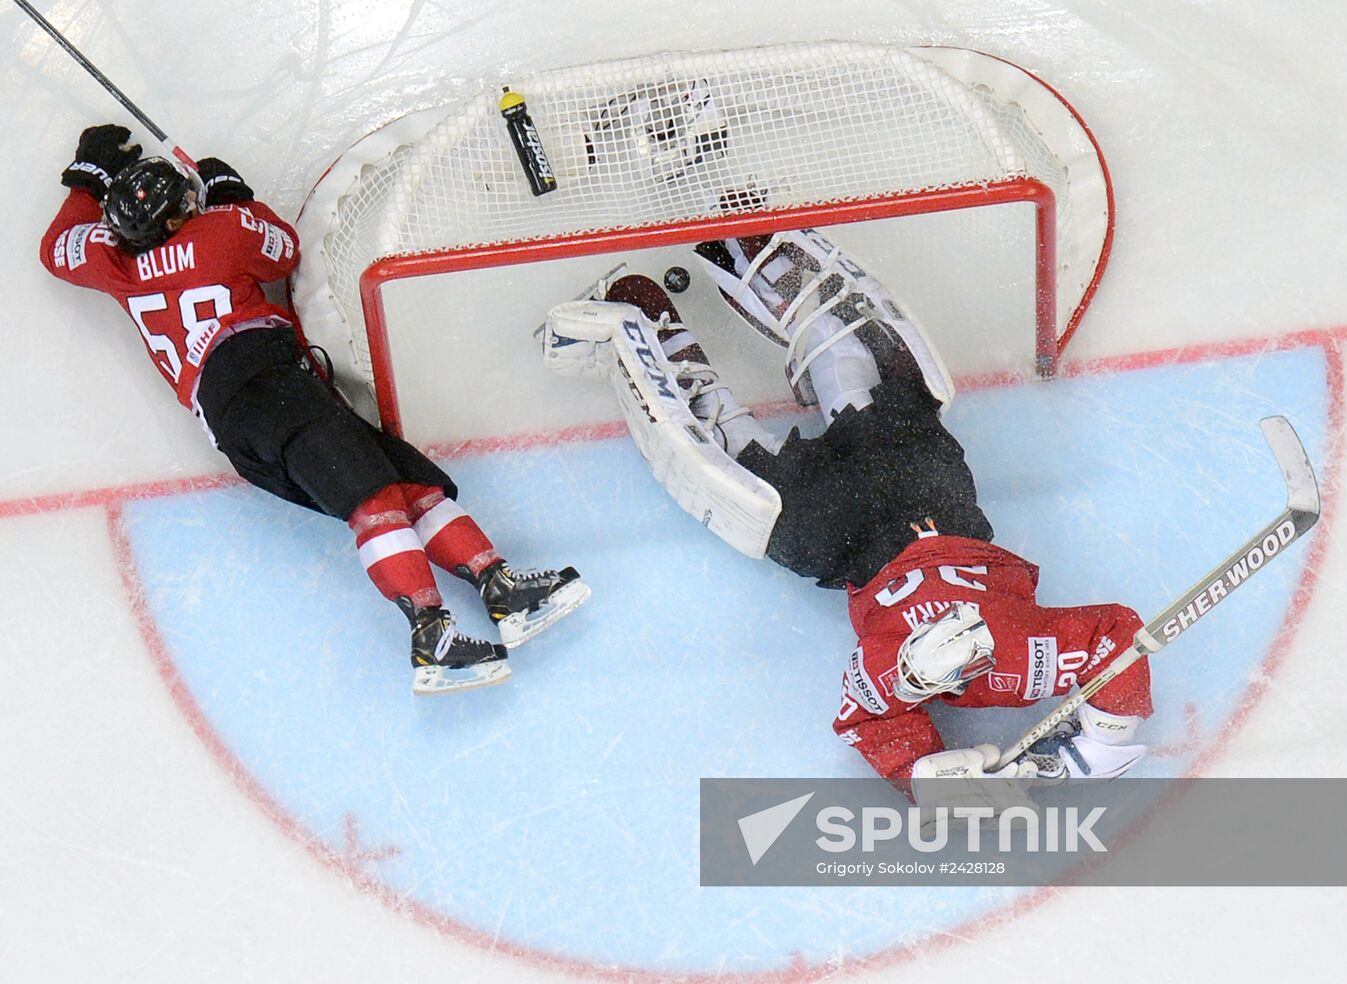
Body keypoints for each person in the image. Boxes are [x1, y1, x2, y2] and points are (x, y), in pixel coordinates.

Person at [540, 228, 1152, 807]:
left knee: (736, 460)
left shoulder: (983, 667)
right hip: (929, 504)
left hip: (850, 535)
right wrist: (1100, 745)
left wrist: (920, 774)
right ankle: (761, 268)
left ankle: (656, 330)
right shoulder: (1018, 659)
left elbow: (867, 719)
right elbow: (1120, 636)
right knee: (862, 381)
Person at [40, 124, 590, 696]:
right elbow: (281, 249)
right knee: (373, 499)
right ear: (182, 212)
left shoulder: (115, 265)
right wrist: (232, 193)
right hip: (266, 387)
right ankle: (433, 637)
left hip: (242, 419)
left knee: (409, 482)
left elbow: (57, 248)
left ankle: (500, 589)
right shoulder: (217, 232)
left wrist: (86, 178)